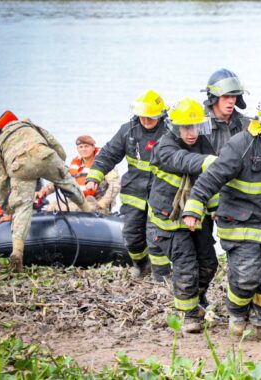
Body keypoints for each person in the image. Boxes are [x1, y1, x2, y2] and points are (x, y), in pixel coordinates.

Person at [182, 96, 261, 341]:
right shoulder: (240, 145)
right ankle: (237, 316)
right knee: (246, 276)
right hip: (241, 223)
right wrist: (193, 208)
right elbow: (210, 179)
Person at [147, 97, 218, 334]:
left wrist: (216, 208)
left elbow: (211, 182)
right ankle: (189, 316)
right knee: (186, 266)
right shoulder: (164, 147)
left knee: (208, 263)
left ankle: (196, 300)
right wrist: (208, 161)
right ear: (175, 128)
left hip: (198, 216)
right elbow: (182, 161)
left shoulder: (204, 143)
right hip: (170, 220)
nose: (192, 132)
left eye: (196, 126)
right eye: (186, 127)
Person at [0, 115, 92, 272]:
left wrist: (7, 210)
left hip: (20, 166)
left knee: (22, 208)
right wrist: (60, 163)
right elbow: (54, 143)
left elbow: (1, 180)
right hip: (45, 155)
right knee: (68, 184)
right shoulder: (27, 125)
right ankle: (88, 210)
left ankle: (17, 252)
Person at [86, 89, 171, 279]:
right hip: (135, 192)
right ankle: (142, 266)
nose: (146, 121)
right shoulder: (128, 131)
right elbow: (108, 154)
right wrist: (94, 177)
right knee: (132, 237)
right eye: (143, 117)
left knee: (156, 238)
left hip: (161, 194)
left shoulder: (170, 132)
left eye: (150, 118)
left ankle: (162, 276)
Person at [37, 135, 120, 214]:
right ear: (78, 149)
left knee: (74, 208)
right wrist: (45, 191)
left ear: (93, 147)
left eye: (86, 146)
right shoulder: (76, 164)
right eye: (81, 147)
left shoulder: (103, 163)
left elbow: (115, 184)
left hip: (97, 202)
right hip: (79, 200)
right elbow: (62, 179)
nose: (84, 149)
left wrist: (103, 203)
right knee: (51, 207)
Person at [202, 68, 250, 154]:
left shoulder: (245, 124)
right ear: (214, 98)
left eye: (233, 96)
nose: (231, 101)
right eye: (226, 96)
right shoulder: (198, 125)